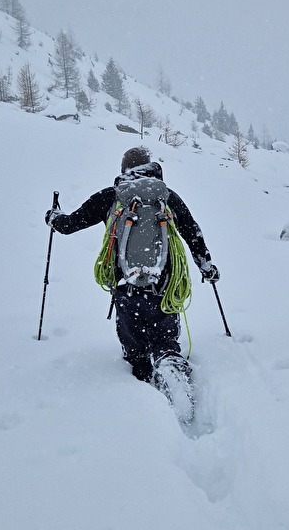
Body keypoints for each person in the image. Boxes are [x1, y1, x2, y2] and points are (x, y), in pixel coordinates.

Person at [45, 146, 219, 385]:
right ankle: (170, 368)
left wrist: (54, 217)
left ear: (124, 169)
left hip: (127, 289)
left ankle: (146, 393)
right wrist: (206, 266)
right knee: (166, 344)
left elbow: (69, 225)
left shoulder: (112, 197)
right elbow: (193, 233)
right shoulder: (167, 197)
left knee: (136, 355)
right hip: (164, 287)